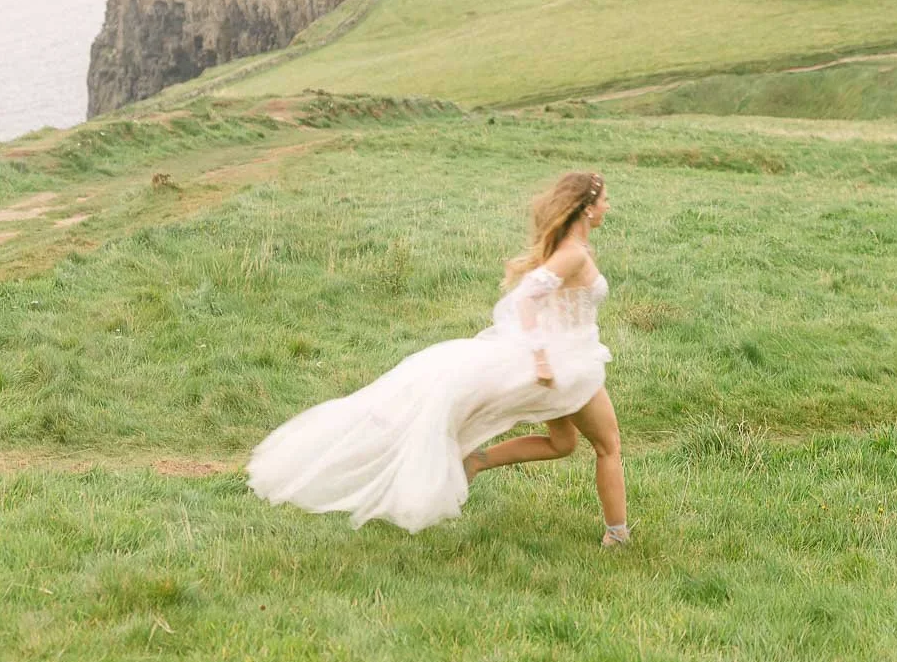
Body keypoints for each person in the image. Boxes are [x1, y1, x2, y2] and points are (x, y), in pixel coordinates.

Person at [247, 171, 630, 546]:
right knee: (607, 446)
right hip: (567, 366)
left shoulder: (576, 250)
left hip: (570, 358)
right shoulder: (572, 255)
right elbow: (527, 296)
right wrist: (541, 358)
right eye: (604, 201)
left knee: (563, 444)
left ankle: (477, 460)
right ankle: (618, 535)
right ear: (586, 209)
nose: (608, 207)